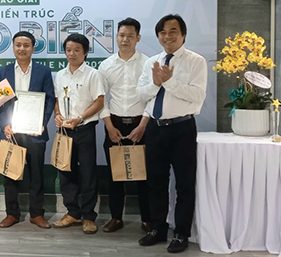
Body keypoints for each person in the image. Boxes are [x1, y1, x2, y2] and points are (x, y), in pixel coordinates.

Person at [136, 14, 207, 254]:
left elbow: (197, 96)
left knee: (185, 184)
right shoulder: (152, 62)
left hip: (182, 128)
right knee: (155, 182)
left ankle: (181, 233)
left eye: (173, 31)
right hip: (155, 128)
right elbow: (141, 94)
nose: (168, 36)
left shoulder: (196, 61)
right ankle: (158, 228)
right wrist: (156, 83)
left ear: (183, 34)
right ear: (158, 36)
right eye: (163, 32)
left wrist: (169, 82)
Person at [0, 31, 56, 229]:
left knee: (37, 174)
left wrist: (41, 122)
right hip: (11, 132)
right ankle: (12, 213)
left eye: (26, 45)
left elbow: (49, 100)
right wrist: (5, 124)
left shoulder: (43, 71)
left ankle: (37, 214)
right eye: (18, 45)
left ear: (33, 48)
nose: (22, 48)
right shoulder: (3, 72)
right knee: (9, 174)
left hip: (35, 132)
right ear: (13, 47)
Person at [98, 18, 151, 233]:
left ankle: (147, 219)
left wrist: (143, 126)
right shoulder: (106, 65)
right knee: (115, 175)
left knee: (143, 176)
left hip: (142, 125)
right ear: (116, 37)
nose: (125, 39)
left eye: (130, 35)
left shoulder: (148, 63)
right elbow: (101, 99)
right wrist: (109, 126)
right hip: (115, 125)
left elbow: (152, 98)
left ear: (138, 38)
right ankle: (116, 217)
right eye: (121, 35)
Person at [52, 33, 104, 234]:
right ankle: (72, 212)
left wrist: (80, 118)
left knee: (88, 173)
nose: (71, 54)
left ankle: (89, 216)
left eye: (76, 50)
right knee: (65, 172)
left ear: (85, 52)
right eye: (68, 50)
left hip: (84, 130)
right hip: (64, 131)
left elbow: (99, 102)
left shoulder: (93, 74)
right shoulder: (60, 74)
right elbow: (57, 100)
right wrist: (57, 115)